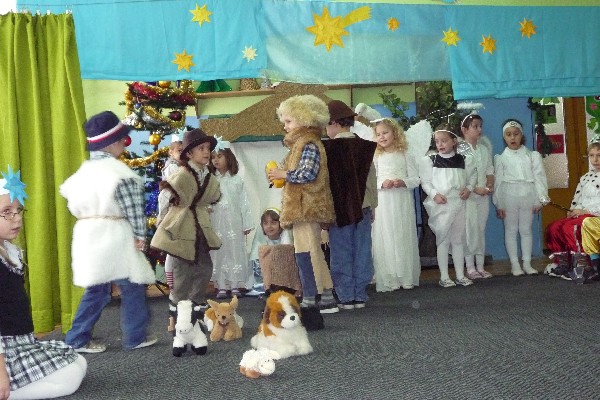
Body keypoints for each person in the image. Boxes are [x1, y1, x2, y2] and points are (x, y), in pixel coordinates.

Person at [61, 111, 157, 353]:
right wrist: (140, 237)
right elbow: (134, 210)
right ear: (112, 142)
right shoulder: (121, 175)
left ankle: (77, 338)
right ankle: (134, 336)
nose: (124, 143)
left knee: (96, 288)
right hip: (114, 234)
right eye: (122, 139)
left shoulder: (80, 175)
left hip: (87, 234)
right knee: (133, 283)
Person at [0, 168, 87, 399]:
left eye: (18, 210)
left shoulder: (9, 252)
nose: (16, 218)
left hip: (19, 343)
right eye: (6, 212)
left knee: (78, 362)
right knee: (70, 376)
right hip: (3, 351)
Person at [267, 94, 337, 322]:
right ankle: (322, 295)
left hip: (308, 208)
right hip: (300, 209)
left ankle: (315, 295)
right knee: (305, 252)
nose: (285, 126)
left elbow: (308, 174)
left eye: (289, 121)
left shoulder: (309, 144)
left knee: (309, 253)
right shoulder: (299, 145)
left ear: (305, 120)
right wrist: (279, 174)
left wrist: (283, 174)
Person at [151, 128, 221, 308]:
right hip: (181, 228)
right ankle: (177, 307)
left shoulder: (208, 176)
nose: (206, 152)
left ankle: (196, 303)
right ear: (189, 153)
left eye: (208, 148)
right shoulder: (181, 174)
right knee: (182, 271)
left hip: (200, 228)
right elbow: (165, 196)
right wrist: (162, 220)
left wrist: (205, 207)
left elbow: (211, 196)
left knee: (205, 268)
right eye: (201, 149)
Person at [323, 100, 377, 309]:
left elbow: (326, 183)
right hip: (363, 206)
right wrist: (373, 205)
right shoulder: (364, 147)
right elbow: (371, 179)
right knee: (362, 250)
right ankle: (360, 294)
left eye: (326, 125)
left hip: (340, 209)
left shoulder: (328, 149)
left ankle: (346, 295)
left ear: (335, 123)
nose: (326, 130)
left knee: (341, 251)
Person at [419, 125, 476, 288]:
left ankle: (460, 275)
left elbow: (472, 177)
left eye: (444, 141)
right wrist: (434, 194)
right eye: (437, 141)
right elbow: (426, 182)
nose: (440, 144)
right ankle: (444, 276)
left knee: (457, 239)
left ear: (454, 141)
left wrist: (468, 189)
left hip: (458, 202)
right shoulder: (431, 160)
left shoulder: (464, 160)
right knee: (443, 239)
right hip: (441, 204)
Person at [493, 119, 549, 276]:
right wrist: (499, 203)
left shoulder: (532, 156)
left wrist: (540, 199)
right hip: (509, 195)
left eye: (516, 134)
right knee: (511, 230)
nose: (513, 138)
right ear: (504, 137)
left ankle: (527, 263)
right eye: (508, 134)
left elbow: (539, 177)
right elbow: (498, 182)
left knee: (526, 230)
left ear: (521, 135)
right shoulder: (501, 158)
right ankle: (515, 264)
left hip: (528, 195)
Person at [371, 117, 421, 292]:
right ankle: (389, 277)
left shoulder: (405, 153)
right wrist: (382, 184)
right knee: (386, 237)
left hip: (402, 201)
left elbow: (416, 179)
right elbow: (371, 181)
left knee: (402, 235)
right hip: (383, 202)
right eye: (378, 134)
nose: (382, 137)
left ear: (395, 133)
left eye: (385, 133)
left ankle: (405, 276)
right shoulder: (376, 156)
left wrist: (403, 182)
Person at [547, 138, 600, 277]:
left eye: (599, 155)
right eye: (592, 155)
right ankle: (564, 263)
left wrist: (584, 211)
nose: (595, 160)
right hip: (583, 213)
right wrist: (572, 210)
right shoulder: (585, 178)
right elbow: (578, 199)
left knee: (572, 227)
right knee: (555, 227)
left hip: (595, 215)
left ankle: (583, 264)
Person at [209, 143, 254, 299]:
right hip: (216, 223)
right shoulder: (211, 180)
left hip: (234, 224)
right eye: (213, 157)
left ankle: (234, 285)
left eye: (219, 156)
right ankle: (221, 285)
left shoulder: (236, 180)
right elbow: (207, 199)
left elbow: (244, 203)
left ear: (228, 158)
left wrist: (247, 223)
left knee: (235, 252)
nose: (216, 160)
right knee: (218, 252)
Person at [459, 114, 495, 279]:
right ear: (464, 129)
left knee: (480, 230)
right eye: (475, 126)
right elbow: (460, 176)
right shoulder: (460, 150)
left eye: (480, 126)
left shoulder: (483, 149)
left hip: (482, 197)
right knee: (469, 230)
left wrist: (489, 185)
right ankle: (470, 267)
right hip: (468, 197)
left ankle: (480, 266)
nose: (479, 129)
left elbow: (489, 170)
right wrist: (474, 189)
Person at [247, 208, 293, 296]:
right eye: (266, 223)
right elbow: (257, 263)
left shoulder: (285, 237)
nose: (269, 226)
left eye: (273, 223)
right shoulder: (261, 240)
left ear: (280, 224)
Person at [160, 134, 183, 295]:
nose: (182, 153)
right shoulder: (172, 167)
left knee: (178, 250)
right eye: (179, 150)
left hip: (179, 209)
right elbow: (178, 187)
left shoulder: (182, 166)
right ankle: (172, 285)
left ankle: (178, 283)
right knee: (172, 250)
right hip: (173, 210)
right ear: (171, 152)